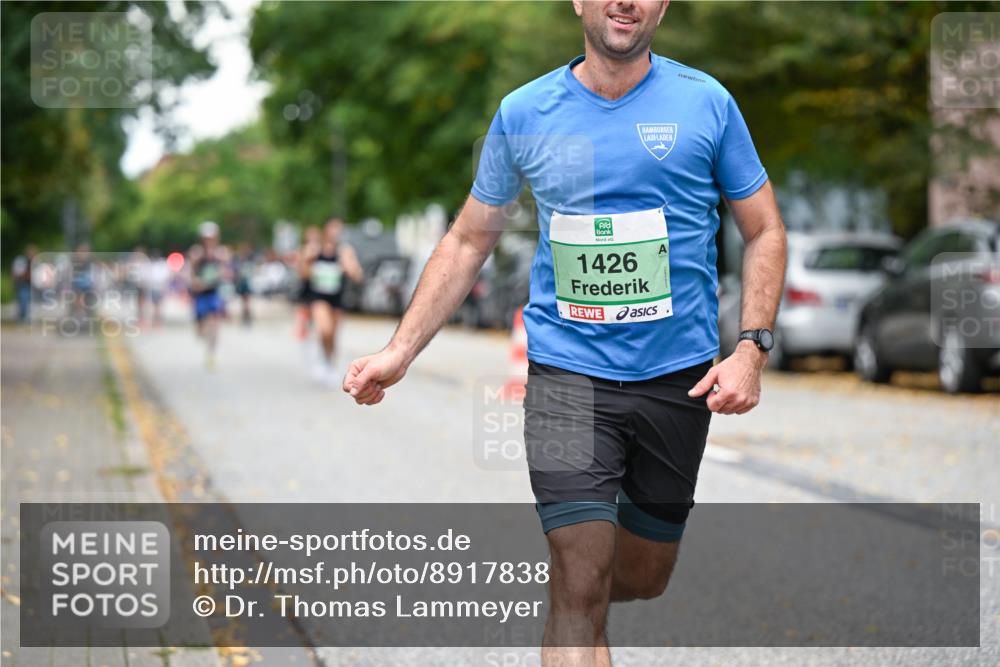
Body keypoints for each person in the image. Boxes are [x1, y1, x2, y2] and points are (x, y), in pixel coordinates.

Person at [343, 1, 786, 663]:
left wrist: (751, 347)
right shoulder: (525, 112)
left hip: (677, 380)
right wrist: (399, 350)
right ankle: (577, 596)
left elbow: (764, 229)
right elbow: (468, 241)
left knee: (639, 575)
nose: (625, 1)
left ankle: (591, 582)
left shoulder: (706, 103)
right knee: (581, 580)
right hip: (566, 378)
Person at [302, 219, 363, 386]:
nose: (336, 233)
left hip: (337, 298)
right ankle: (322, 359)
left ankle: (329, 363)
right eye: (333, 230)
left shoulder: (345, 251)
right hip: (319, 296)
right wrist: (308, 261)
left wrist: (348, 266)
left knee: (333, 335)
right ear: (326, 231)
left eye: (339, 230)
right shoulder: (315, 250)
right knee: (325, 329)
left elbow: (358, 276)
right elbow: (303, 275)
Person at [188, 221, 227, 370]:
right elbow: (191, 273)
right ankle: (204, 335)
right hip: (200, 295)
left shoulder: (220, 253)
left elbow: (224, 271)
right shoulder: (196, 253)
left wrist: (216, 277)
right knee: (201, 330)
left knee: (215, 323)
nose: (210, 240)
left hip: (214, 293)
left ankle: (211, 354)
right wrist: (195, 282)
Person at [11, 245, 37, 324]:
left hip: (32, 285)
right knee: (23, 301)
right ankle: (21, 318)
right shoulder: (21, 261)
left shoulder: (36, 262)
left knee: (31, 303)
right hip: (22, 284)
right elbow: (17, 273)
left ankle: (27, 318)